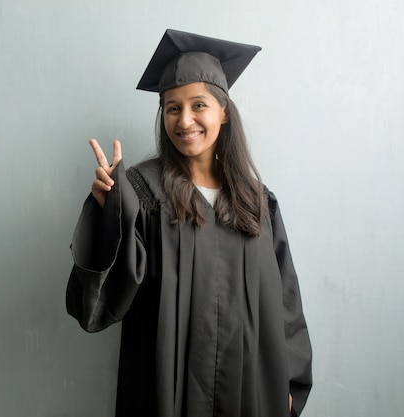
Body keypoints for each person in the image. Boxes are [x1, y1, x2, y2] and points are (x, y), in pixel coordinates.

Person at [66, 29, 312, 417]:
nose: (185, 121)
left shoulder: (257, 201)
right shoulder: (143, 191)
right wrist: (106, 215)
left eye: (199, 105)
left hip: (251, 389)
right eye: (172, 107)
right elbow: (102, 303)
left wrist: (288, 381)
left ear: (224, 111)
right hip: (166, 391)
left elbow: (286, 302)